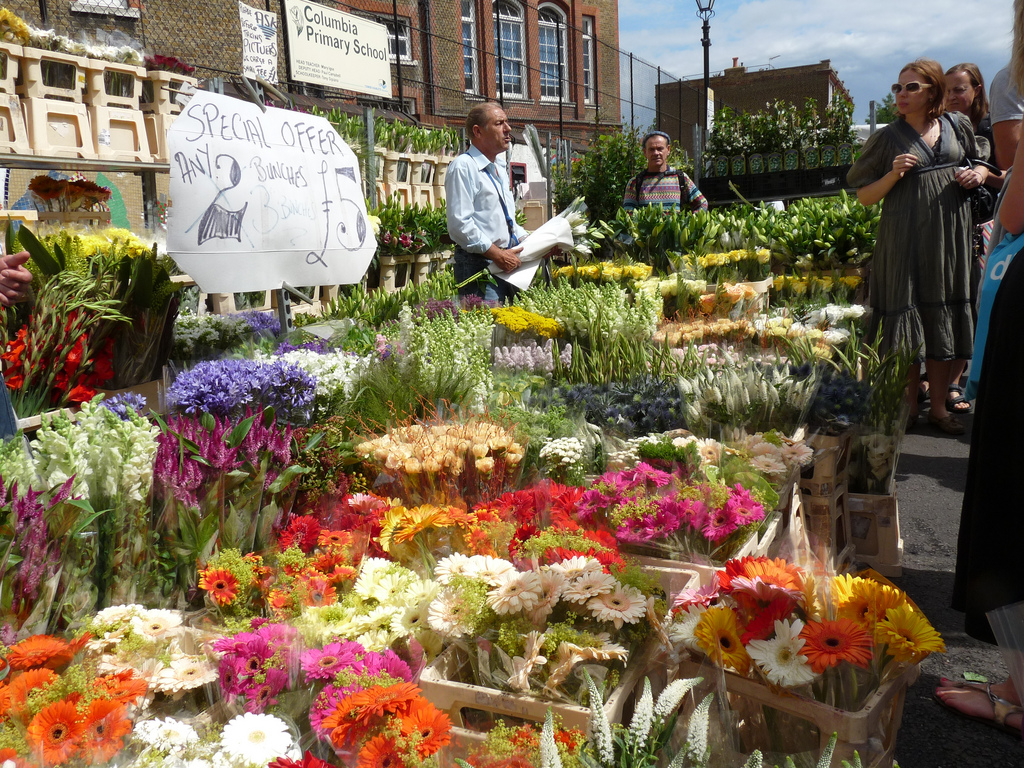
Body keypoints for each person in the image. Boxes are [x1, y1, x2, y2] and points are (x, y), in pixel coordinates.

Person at [847, 58, 988, 436]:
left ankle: (938, 407)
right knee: (907, 321)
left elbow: (981, 162)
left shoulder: (957, 124)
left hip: (949, 239)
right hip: (903, 238)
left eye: (912, 87)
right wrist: (893, 173)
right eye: (898, 88)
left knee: (942, 319)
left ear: (933, 91)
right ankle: (910, 403)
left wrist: (978, 173)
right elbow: (864, 196)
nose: (902, 94)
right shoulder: (887, 137)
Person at [944, 63, 1005, 413]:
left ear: (977, 90)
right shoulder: (942, 127)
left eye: (960, 89)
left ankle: (955, 381)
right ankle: (934, 379)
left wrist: (983, 172)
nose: (953, 96)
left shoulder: (989, 126)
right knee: (946, 301)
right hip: (948, 225)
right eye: (948, 90)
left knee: (971, 303)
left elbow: (1010, 175)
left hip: (985, 224)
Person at [445, 102, 528, 303]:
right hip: (480, 266)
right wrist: (497, 255)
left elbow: (507, 223)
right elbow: (460, 225)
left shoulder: (497, 167)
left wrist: (537, 243)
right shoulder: (464, 167)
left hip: (506, 265)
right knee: (489, 331)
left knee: (510, 331)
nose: (508, 129)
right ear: (478, 131)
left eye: (507, 123)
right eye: (499, 123)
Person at [622, 131, 708, 212]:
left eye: (660, 149)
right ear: (645, 152)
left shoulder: (680, 178)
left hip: (674, 228)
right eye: (651, 149)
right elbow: (628, 214)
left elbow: (702, 203)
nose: (656, 153)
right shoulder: (635, 183)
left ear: (668, 150)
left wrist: (688, 223)